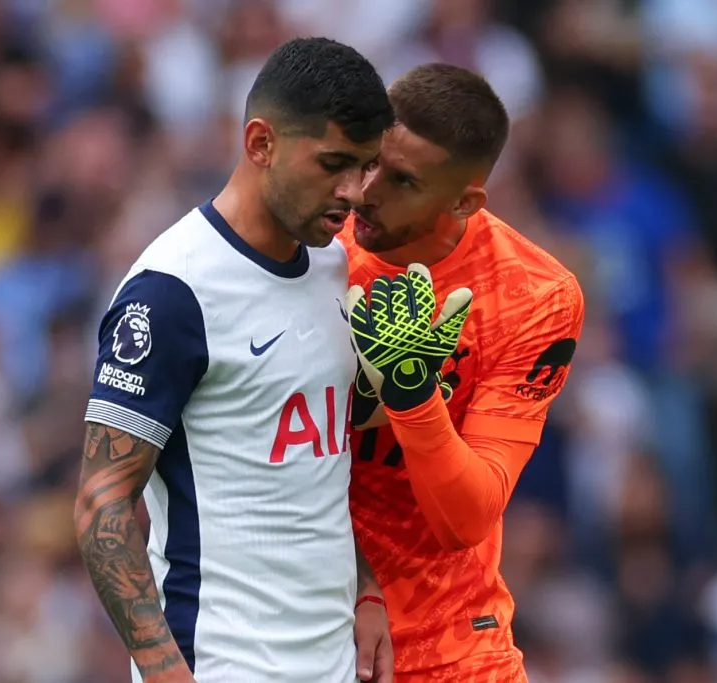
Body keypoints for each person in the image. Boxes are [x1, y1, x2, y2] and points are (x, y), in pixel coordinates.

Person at [73, 37, 396, 683]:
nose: (353, 191)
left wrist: (364, 589)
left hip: (333, 663)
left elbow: (320, 470)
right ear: (260, 143)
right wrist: (166, 672)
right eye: (333, 162)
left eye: (364, 166)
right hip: (223, 664)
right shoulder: (173, 290)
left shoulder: (337, 266)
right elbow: (102, 504)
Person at [340, 63, 586, 682]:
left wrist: (411, 392)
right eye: (371, 162)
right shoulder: (312, 246)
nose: (368, 192)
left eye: (403, 181)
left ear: (464, 201)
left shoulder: (535, 296)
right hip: (304, 629)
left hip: (454, 646)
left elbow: (466, 517)